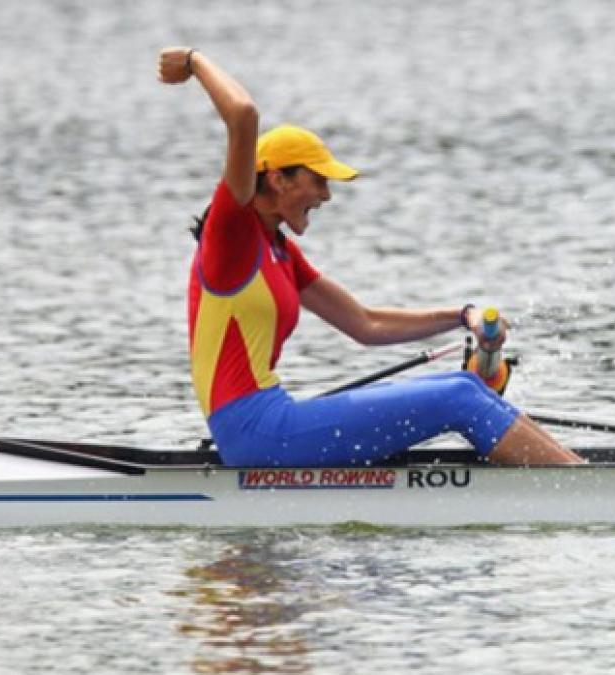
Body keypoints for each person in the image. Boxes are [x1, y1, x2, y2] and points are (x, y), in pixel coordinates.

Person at [157, 46, 582, 467]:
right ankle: (582, 489)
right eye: (318, 180)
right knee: (459, 396)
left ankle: (574, 473)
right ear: (277, 179)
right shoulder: (231, 236)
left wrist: (462, 315)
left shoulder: (281, 252)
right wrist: (194, 62)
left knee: (460, 384)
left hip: (269, 426)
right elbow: (243, 114)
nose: (326, 195)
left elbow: (366, 324)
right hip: (257, 433)